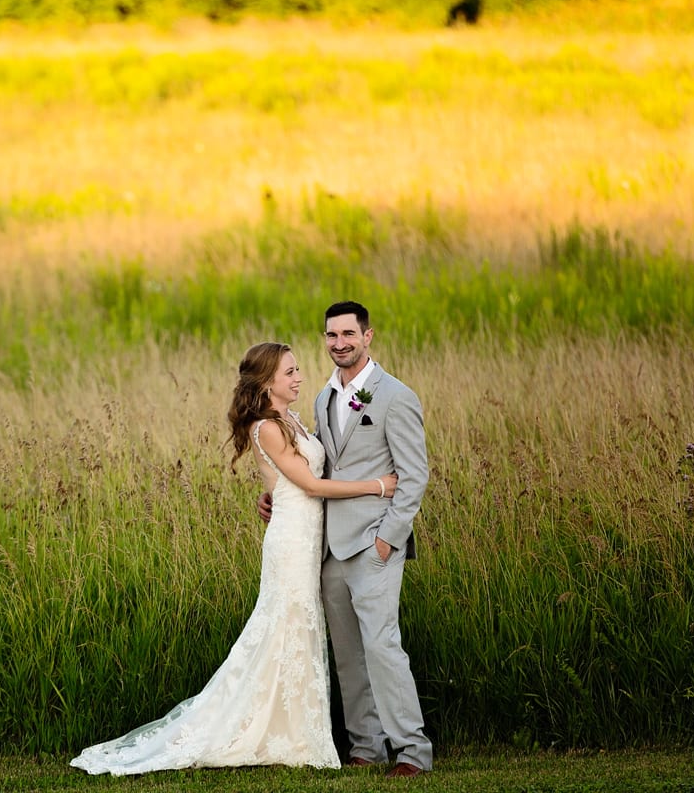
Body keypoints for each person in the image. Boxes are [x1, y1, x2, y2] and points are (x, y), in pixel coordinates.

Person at [70, 342, 397, 776]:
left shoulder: (291, 418)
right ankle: (280, 734)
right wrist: (377, 486)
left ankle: (295, 729)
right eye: (290, 372)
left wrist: (272, 494)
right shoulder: (267, 427)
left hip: (307, 535)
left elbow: (296, 480)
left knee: (298, 629)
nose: (299, 377)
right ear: (266, 384)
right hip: (291, 542)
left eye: (298, 370)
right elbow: (311, 486)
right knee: (285, 624)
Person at [258, 301, 432, 778]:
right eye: (331, 335)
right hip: (329, 547)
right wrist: (276, 495)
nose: (339, 343)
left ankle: (412, 752)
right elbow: (317, 464)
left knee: (382, 645)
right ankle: (366, 745)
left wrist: (387, 540)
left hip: (373, 544)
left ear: (368, 336)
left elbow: (414, 477)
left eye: (348, 334)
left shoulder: (395, 397)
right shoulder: (322, 398)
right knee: (348, 650)